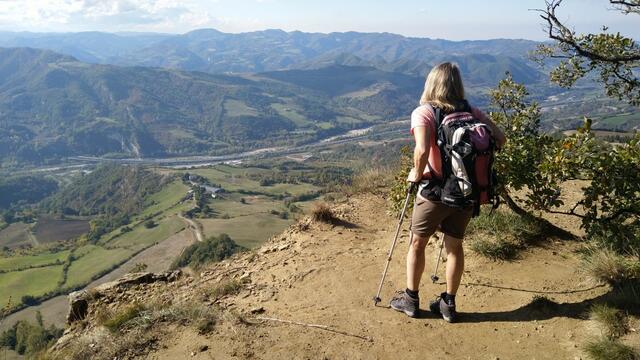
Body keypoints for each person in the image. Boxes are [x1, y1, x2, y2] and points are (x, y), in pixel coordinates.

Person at [390, 62, 506, 322]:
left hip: (433, 191)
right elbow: (500, 138)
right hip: (465, 192)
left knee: (416, 243)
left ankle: (411, 299)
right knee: (454, 247)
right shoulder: (472, 112)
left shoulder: (424, 113)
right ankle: (448, 305)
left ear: (432, 82)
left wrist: (416, 174)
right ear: (458, 84)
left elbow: (421, 150)